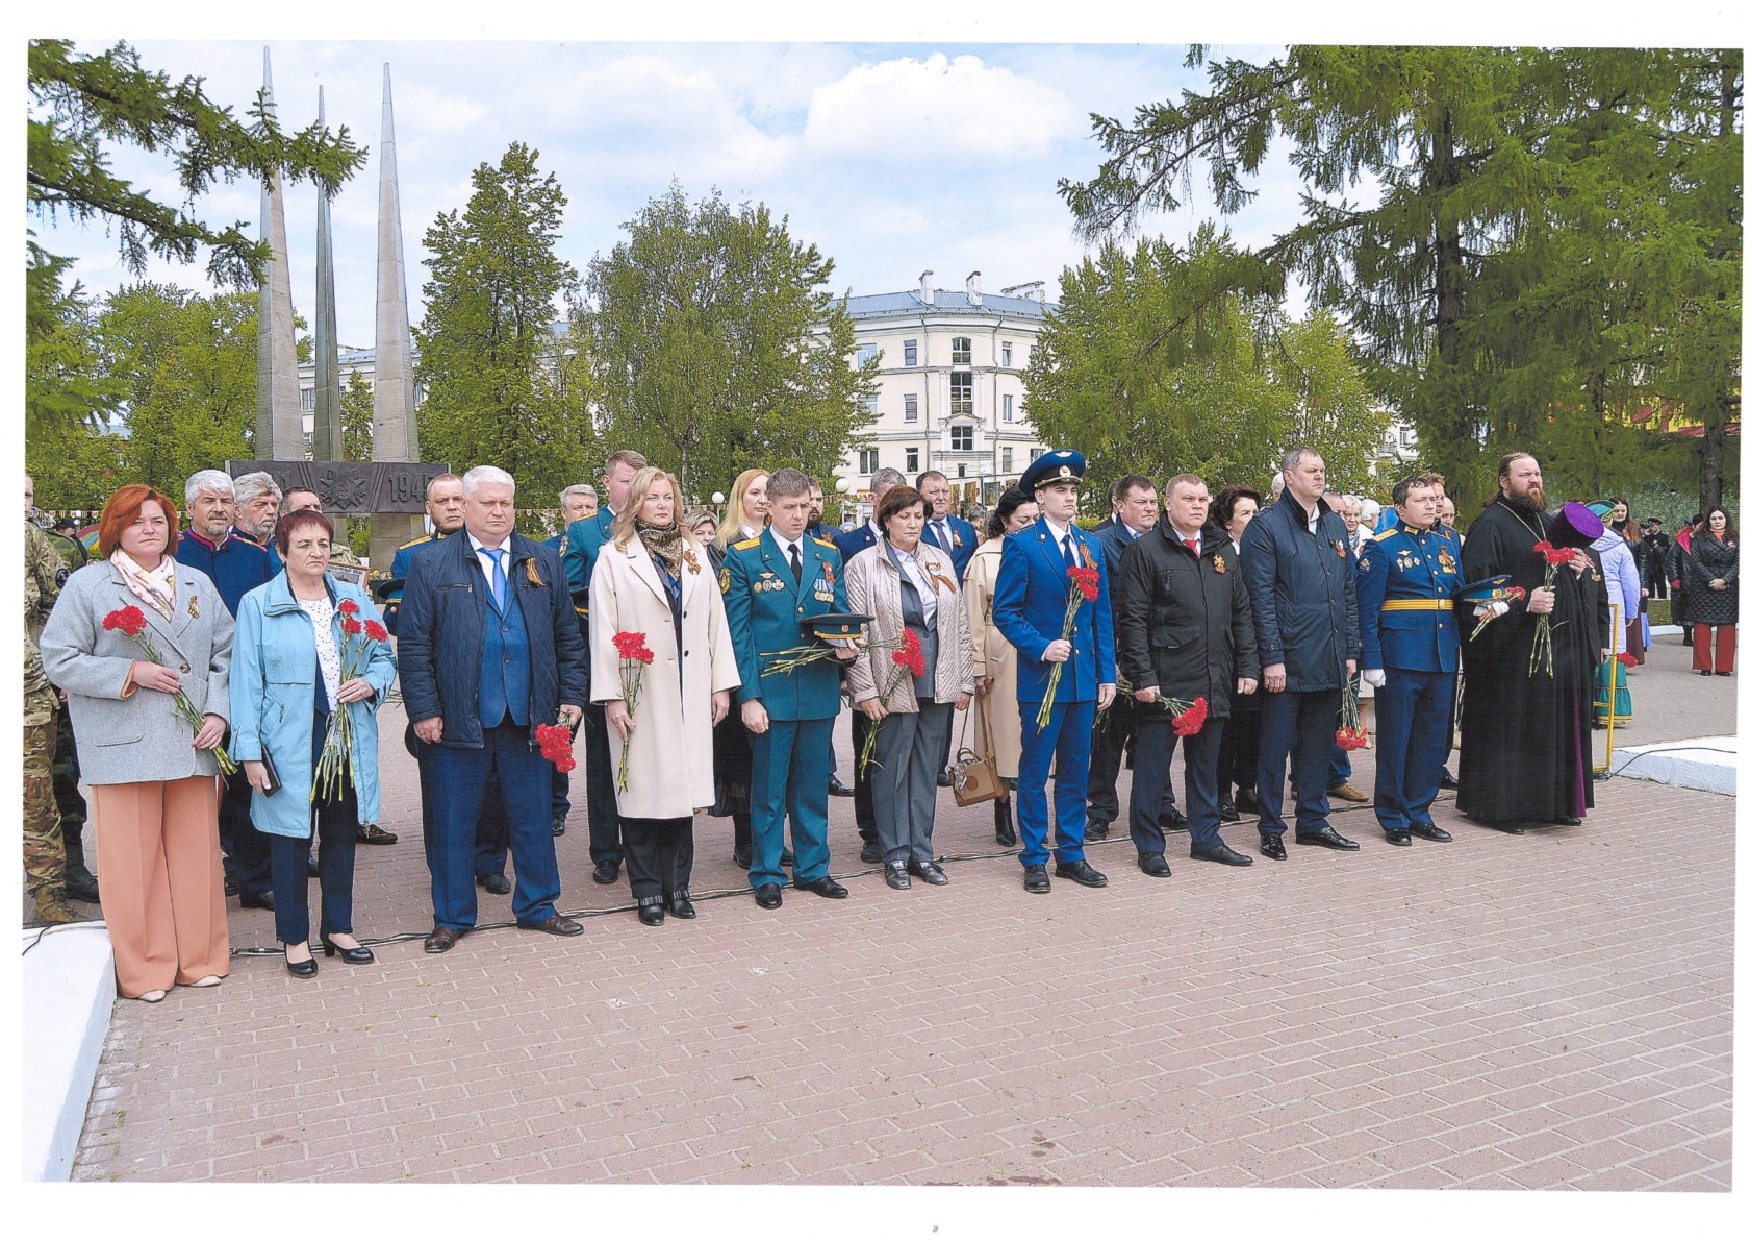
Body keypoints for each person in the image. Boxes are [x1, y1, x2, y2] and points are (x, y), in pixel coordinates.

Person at [40, 484, 232, 1001]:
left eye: (159, 519)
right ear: (115, 528)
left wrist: (218, 710)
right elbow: (58, 658)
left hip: (194, 740)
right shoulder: (89, 585)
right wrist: (132, 670)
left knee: (197, 857)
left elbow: (226, 654)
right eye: (137, 520)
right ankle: (146, 970)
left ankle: (201, 957)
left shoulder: (195, 581)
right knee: (132, 863)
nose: (151, 528)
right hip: (123, 741)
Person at [398, 465, 590, 953]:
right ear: (465, 506)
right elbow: (415, 644)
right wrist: (424, 710)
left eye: (506, 502)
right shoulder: (432, 564)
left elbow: (569, 637)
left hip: (529, 714)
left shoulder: (542, 560)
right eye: (488, 503)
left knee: (532, 817)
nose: (499, 511)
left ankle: (539, 906)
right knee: (452, 821)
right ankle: (452, 916)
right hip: (459, 717)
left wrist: (570, 698)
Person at [229, 509, 397, 977]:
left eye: (323, 543)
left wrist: (369, 682)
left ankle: (338, 928)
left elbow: (383, 657)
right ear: (281, 552)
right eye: (303, 545)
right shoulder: (258, 604)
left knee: (342, 834)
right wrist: (248, 752)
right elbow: (245, 681)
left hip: (343, 734)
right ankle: (295, 937)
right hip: (286, 739)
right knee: (290, 840)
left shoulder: (351, 599)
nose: (316, 553)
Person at [590, 467, 739, 926]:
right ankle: (647, 890)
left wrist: (720, 685)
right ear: (635, 504)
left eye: (668, 498)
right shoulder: (613, 557)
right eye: (652, 498)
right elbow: (602, 629)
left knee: (683, 795)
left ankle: (679, 885)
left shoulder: (695, 553)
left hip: (690, 686)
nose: (661, 505)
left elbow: (717, 623)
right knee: (643, 793)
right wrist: (612, 696)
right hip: (642, 690)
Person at [722, 468, 855, 909]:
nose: (800, 515)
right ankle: (766, 872)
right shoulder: (743, 557)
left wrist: (846, 646)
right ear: (770, 508)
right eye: (790, 507)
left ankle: (814, 868)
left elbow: (837, 614)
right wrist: (749, 696)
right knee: (769, 790)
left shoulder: (826, 555)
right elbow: (737, 634)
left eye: (805, 506)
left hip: (816, 690)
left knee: (813, 787)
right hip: (771, 694)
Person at [1113, 473, 1260, 874]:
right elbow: (1132, 620)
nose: (1197, 505)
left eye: (1202, 498)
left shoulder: (1222, 551)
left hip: (1214, 674)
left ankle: (1206, 839)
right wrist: (1142, 676)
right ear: (1168, 505)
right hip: (1166, 681)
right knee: (1152, 768)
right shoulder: (1146, 551)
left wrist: (1247, 665)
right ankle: (1148, 846)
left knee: (1207, 766)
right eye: (1188, 499)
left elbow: (1241, 613)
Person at [1457, 454, 1611, 831]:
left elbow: (1572, 573)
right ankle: (1501, 808)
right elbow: (1474, 594)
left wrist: (1578, 568)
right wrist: (1525, 601)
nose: (1534, 480)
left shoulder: (1548, 523)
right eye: (1524, 474)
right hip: (1509, 650)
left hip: (1556, 648)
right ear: (1504, 483)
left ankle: (1552, 803)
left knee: (1549, 725)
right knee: (1514, 726)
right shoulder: (1489, 525)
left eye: (1538, 474)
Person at [991, 450, 1116, 894]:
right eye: (1060, 490)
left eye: (1073, 490)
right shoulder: (1023, 544)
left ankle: (1072, 853)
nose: (1070, 497)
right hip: (1043, 677)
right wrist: (1041, 646)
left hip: (1083, 679)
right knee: (1035, 768)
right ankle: (1034, 857)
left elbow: (1101, 613)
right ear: (1040, 497)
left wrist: (1107, 674)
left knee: (1076, 771)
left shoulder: (1090, 544)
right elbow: (1005, 612)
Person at [844, 485, 974, 890]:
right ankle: (895, 855)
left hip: (936, 676)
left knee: (924, 769)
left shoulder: (939, 559)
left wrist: (963, 678)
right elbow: (857, 631)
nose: (913, 523)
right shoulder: (864, 564)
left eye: (918, 515)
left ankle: (922, 851)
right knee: (891, 770)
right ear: (886, 519)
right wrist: (864, 689)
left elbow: (959, 622)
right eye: (904, 516)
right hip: (890, 677)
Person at [1241, 448, 1362, 860]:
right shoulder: (1266, 526)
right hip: (1288, 659)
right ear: (1289, 477)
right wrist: (1271, 656)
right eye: (1311, 470)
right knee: (1275, 748)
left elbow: (1347, 591)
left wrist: (1349, 648)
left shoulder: (1332, 522)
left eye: (1323, 470)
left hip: (1327, 653)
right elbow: (1259, 597)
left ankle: (1313, 821)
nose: (1320, 476)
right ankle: (1271, 827)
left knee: (1316, 747)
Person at [176, 470, 280, 903]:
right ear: (189, 509)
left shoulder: (253, 557)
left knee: (243, 784)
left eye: (225, 501)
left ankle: (254, 880)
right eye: (208, 502)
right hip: (184, 689)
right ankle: (196, 881)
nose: (218, 509)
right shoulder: (174, 555)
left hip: (243, 687)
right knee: (190, 790)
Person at [1354, 475, 1462, 846]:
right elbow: (1367, 609)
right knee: (1396, 740)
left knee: (1432, 740)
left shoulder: (1448, 543)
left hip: (1442, 652)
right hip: (1399, 655)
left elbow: (1456, 594)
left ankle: (1419, 811)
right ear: (1400, 507)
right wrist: (1371, 658)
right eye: (1422, 500)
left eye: (1434, 499)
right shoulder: (1381, 547)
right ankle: (1392, 815)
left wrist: (1484, 604)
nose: (1432, 505)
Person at [563, 449, 649, 887]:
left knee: (643, 756)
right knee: (601, 763)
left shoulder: (657, 528)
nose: (633, 488)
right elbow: (569, 598)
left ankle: (642, 844)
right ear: (607, 484)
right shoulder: (583, 533)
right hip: (602, 660)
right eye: (625, 479)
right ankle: (605, 851)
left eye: (640, 479)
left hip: (649, 662)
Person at [1087, 474, 1183, 840]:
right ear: (1118, 504)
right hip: (1117, 658)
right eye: (1141, 502)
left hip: (1156, 656)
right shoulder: (1099, 543)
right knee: (1110, 738)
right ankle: (1100, 810)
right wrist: (1106, 661)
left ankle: (1162, 803)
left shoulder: (1164, 542)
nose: (1149, 509)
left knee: (1156, 735)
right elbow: (1093, 607)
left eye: (1153, 503)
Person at [837, 466, 908, 861]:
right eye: (890, 500)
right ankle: (871, 830)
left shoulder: (921, 539)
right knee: (868, 748)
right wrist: (851, 673)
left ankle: (899, 827)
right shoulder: (850, 544)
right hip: (868, 664)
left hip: (905, 668)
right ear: (875, 501)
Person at [965, 489, 1037, 846]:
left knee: (1034, 736)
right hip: (1001, 653)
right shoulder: (985, 557)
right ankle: (1002, 807)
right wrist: (978, 666)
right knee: (1002, 737)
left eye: (1035, 519)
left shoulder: (1044, 548)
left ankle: (1032, 809)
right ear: (1005, 520)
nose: (1030, 526)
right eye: (1024, 520)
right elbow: (973, 616)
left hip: (1038, 650)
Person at [708, 468, 772, 870]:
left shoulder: (780, 539)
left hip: (778, 665)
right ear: (739, 498)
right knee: (743, 761)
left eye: (768, 492)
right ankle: (746, 841)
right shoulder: (723, 545)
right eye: (754, 492)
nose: (763, 499)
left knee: (774, 760)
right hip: (738, 662)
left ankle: (770, 840)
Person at [25, 477, 77, 924]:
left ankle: (48, 896)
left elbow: (57, 607)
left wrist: (42, 660)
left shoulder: (27, 539)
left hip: (26, 697)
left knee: (35, 800)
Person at [1213, 485, 1266, 822]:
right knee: (1229, 726)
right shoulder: (1220, 553)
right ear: (1228, 522)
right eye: (1246, 513)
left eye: (1257, 513)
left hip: (1262, 646)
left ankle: (1248, 786)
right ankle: (1221, 792)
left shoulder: (1264, 548)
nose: (1254, 519)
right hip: (1228, 649)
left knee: (1256, 724)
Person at [1588, 501, 1640, 724]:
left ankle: (1588, 706)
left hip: (1590, 602)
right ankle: (1610, 711)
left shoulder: (1583, 546)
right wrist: (1631, 611)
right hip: (1614, 604)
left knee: (1592, 647)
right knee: (1612, 648)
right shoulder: (1620, 547)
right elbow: (1631, 583)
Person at [1686, 506, 1738, 675]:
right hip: (1703, 586)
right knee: (1702, 626)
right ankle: (1704, 665)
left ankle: (1724, 667)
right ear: (1708, 521)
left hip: (1728, 587)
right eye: (1713, 518)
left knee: (1727, 628)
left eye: (1720, 518)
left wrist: (1724, 580)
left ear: (1726, 519)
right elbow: (1696, 561)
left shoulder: (1736, 537)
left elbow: (1739, 562)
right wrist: (1711, 579)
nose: (1717, 521)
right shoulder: (1700, 537)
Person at [916, 469, 977, 581]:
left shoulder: (966, 529)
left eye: (945, 491)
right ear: (919, 495)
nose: (941, 497)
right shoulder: (914, 530)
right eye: (934, 492)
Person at [231, 471, 284, 571]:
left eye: (274, 504)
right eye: (260, 505)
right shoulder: (224, 547)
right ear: (237, 510)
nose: (271, 511)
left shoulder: (285, 546)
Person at [1642, 515, 1673, 602]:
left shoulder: (1663, 536)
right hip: (1650, 564)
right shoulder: (1647, 537)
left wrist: (1659, 549)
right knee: (1650, 583)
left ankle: (1662, 600)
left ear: (1658, 526)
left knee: (1661, 583)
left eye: (1653, 526)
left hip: (1660, 563)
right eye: (1650, 526)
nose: (1651, 528)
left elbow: (1668, 549)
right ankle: (1650, 600)